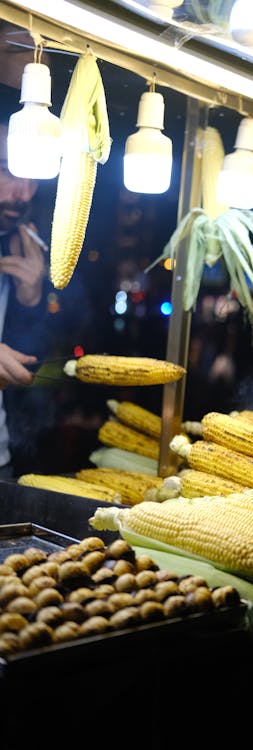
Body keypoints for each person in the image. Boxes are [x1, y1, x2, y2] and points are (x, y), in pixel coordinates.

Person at [0, 108, 52, 477]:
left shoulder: (15, 243)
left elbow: (25, 366)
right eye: (7, 170)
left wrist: (30, 300)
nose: (23, 193)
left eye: (32, 178)